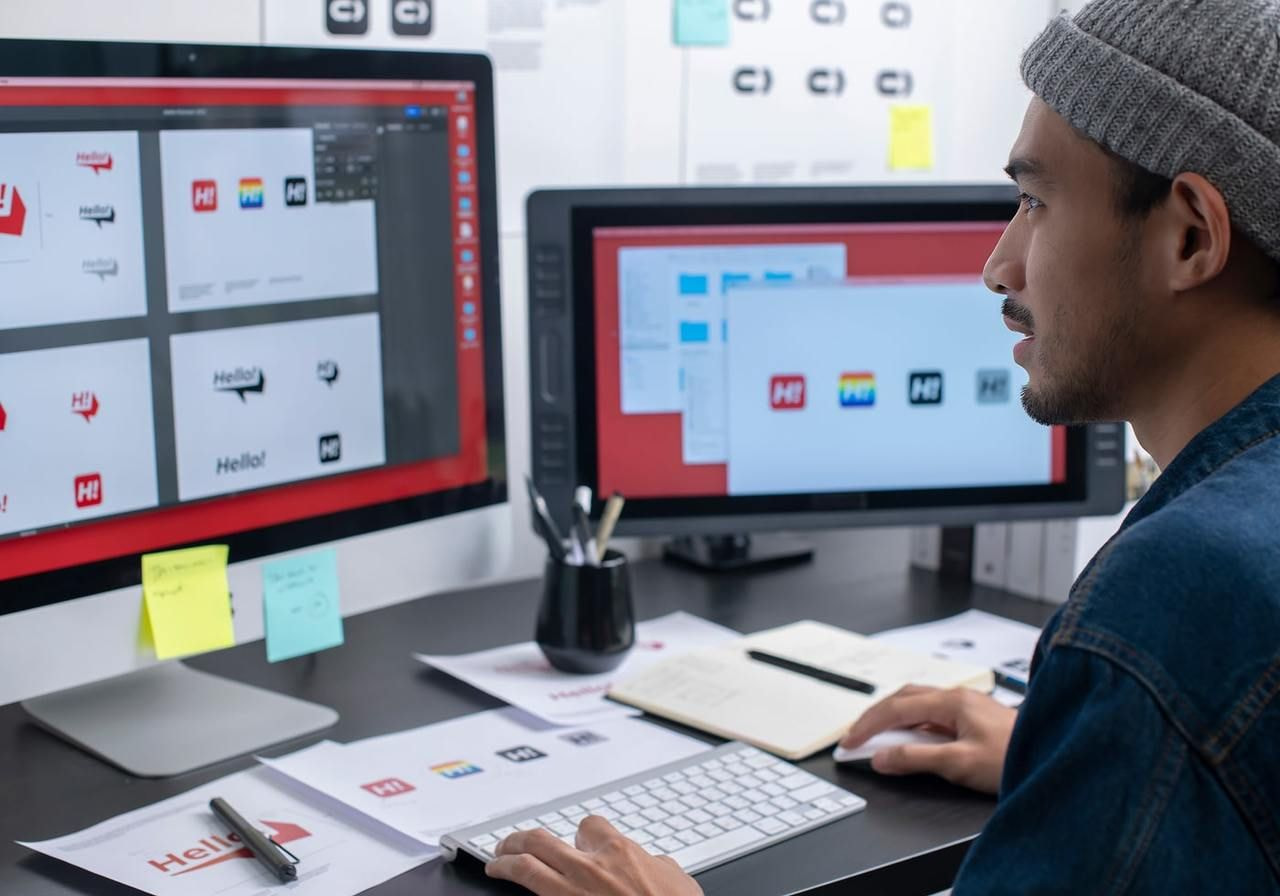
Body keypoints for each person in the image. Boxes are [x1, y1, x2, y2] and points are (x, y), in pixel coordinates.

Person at [486, 0, 1280, 891]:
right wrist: (1086, 750)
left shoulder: (1174, 604)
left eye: (1035, 202)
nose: (999, 266)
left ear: (1190, 236)